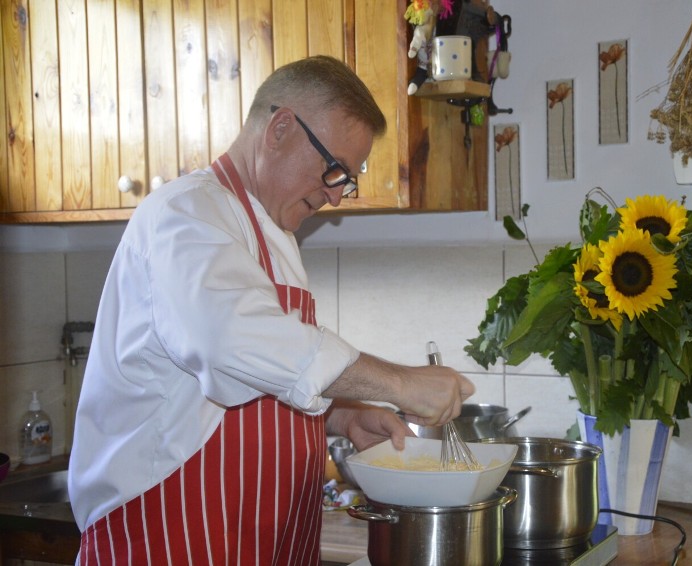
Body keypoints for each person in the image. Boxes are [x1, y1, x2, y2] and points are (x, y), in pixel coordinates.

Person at [68, 55, 475, 565]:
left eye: (346, 179)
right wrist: (399, 383)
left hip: (265, 540)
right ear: (280, 128)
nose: (335, 196)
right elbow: (234, 343)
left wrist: (340, 416)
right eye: (334, 170)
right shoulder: (187, 215)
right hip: (171, 540)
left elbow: (254, 382)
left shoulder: (271, 233)